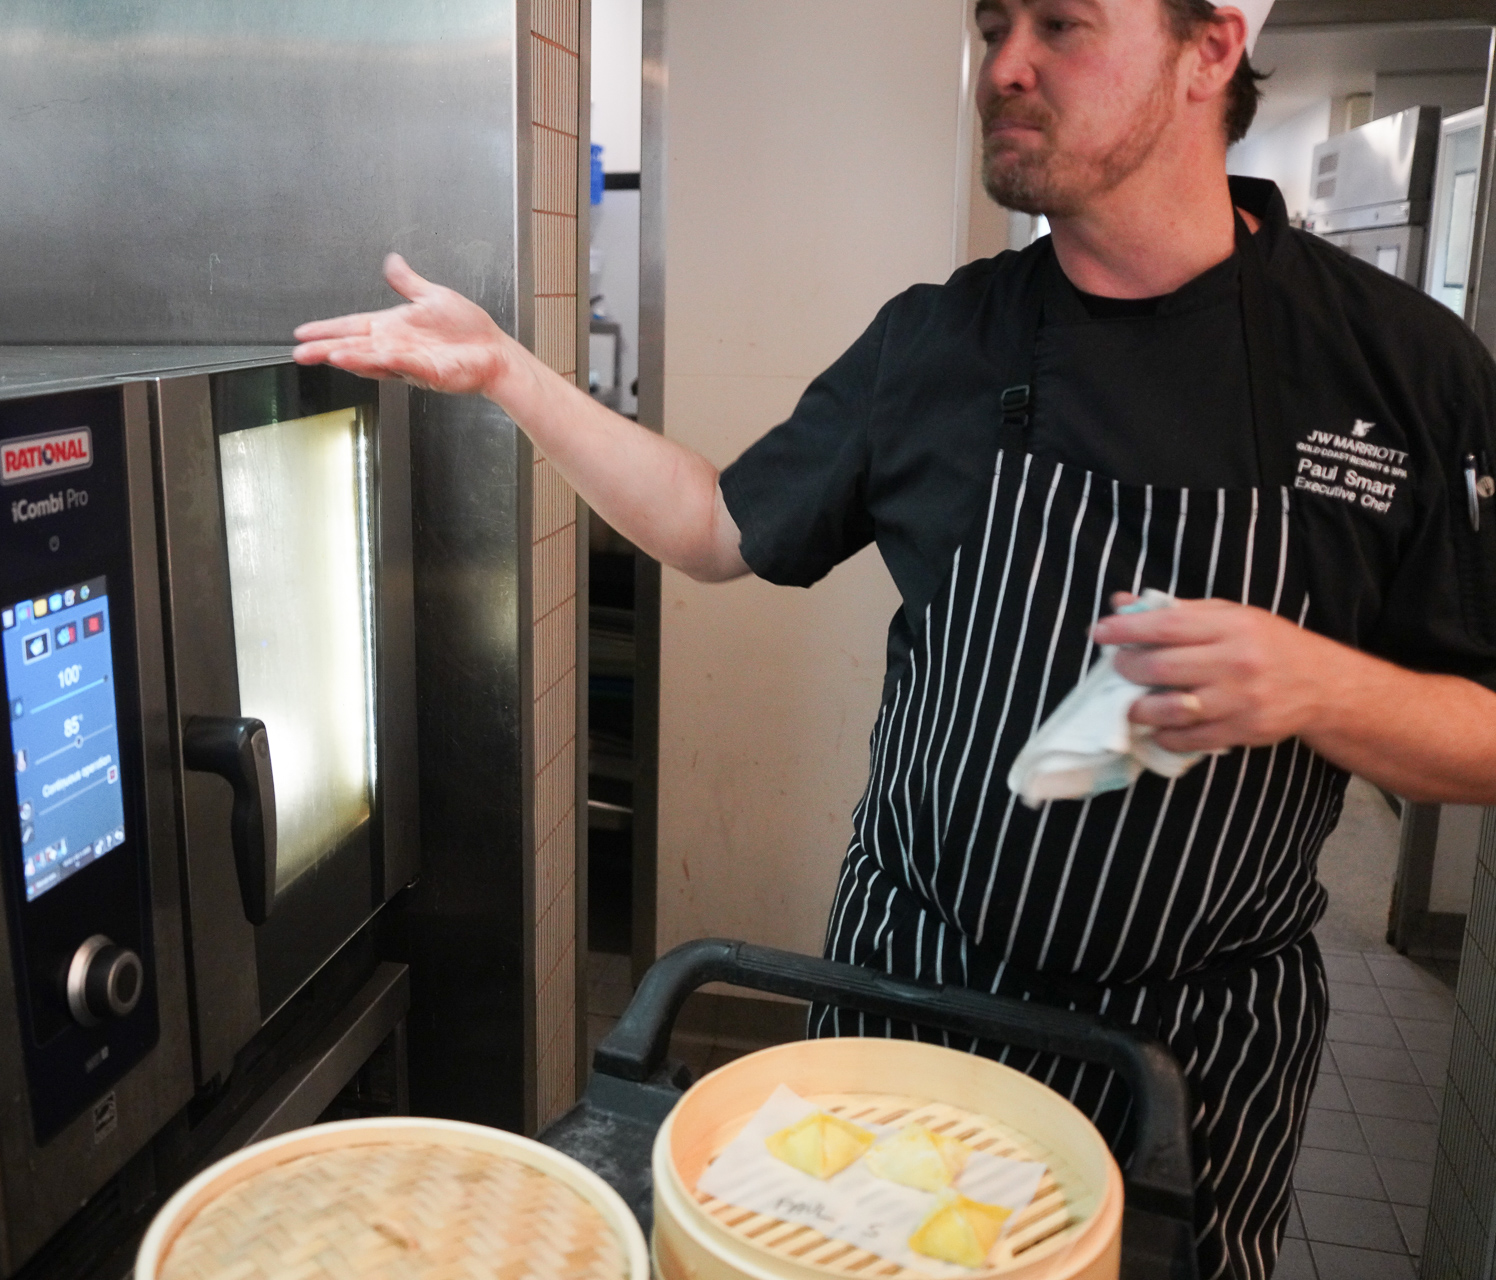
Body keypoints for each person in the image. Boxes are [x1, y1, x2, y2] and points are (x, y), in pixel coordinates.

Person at [295, 1, 1496, 1275]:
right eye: (994, 27)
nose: (1006, 66)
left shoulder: (1400, 371)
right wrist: (510, 377)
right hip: (910, 998)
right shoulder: (940, 337)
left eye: (1063, 26)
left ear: (1210, 52)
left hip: (1188, 1050)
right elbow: (713, 522)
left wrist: (1324, 686)